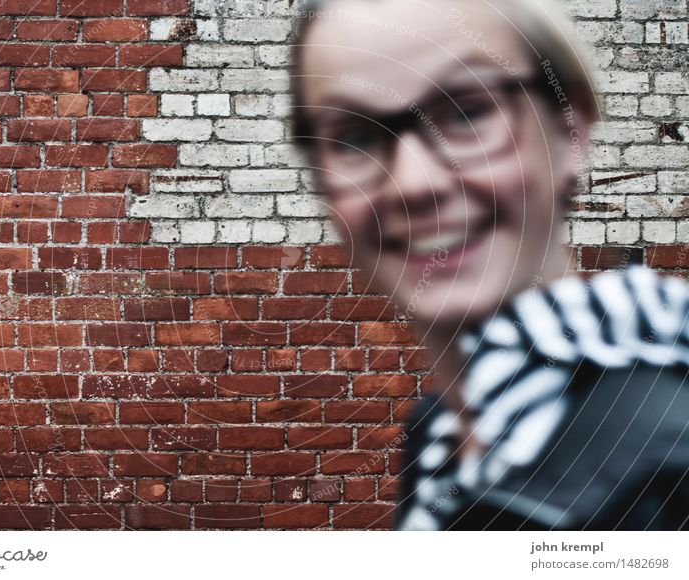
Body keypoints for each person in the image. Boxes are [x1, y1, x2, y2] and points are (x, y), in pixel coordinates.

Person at [289, 0, 689, 530]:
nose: (415, 183)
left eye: (468, 112)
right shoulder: (440, 440)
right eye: (354, 138)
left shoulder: (670, 466)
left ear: (570, 133)